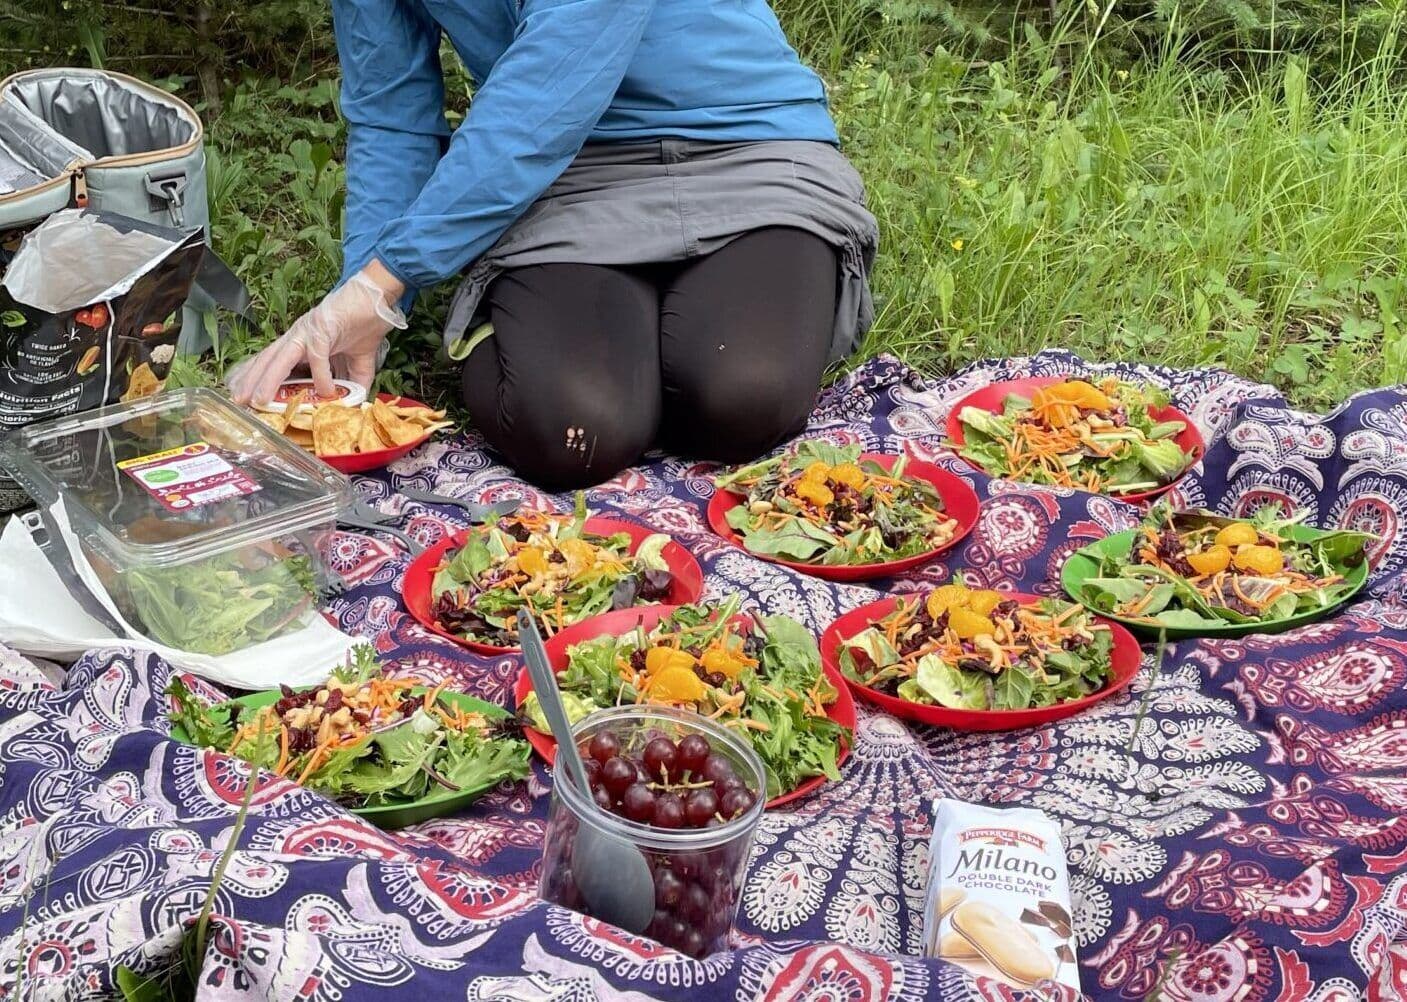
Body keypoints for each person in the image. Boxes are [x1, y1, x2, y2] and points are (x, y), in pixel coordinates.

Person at [229, 0, 878, 489]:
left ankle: (669, 348)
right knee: (573, 435)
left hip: (747, 148)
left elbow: (553, 86)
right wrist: (361, 297)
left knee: (740, 402)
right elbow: (392, 114)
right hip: (565, 175)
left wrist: (389, 278)